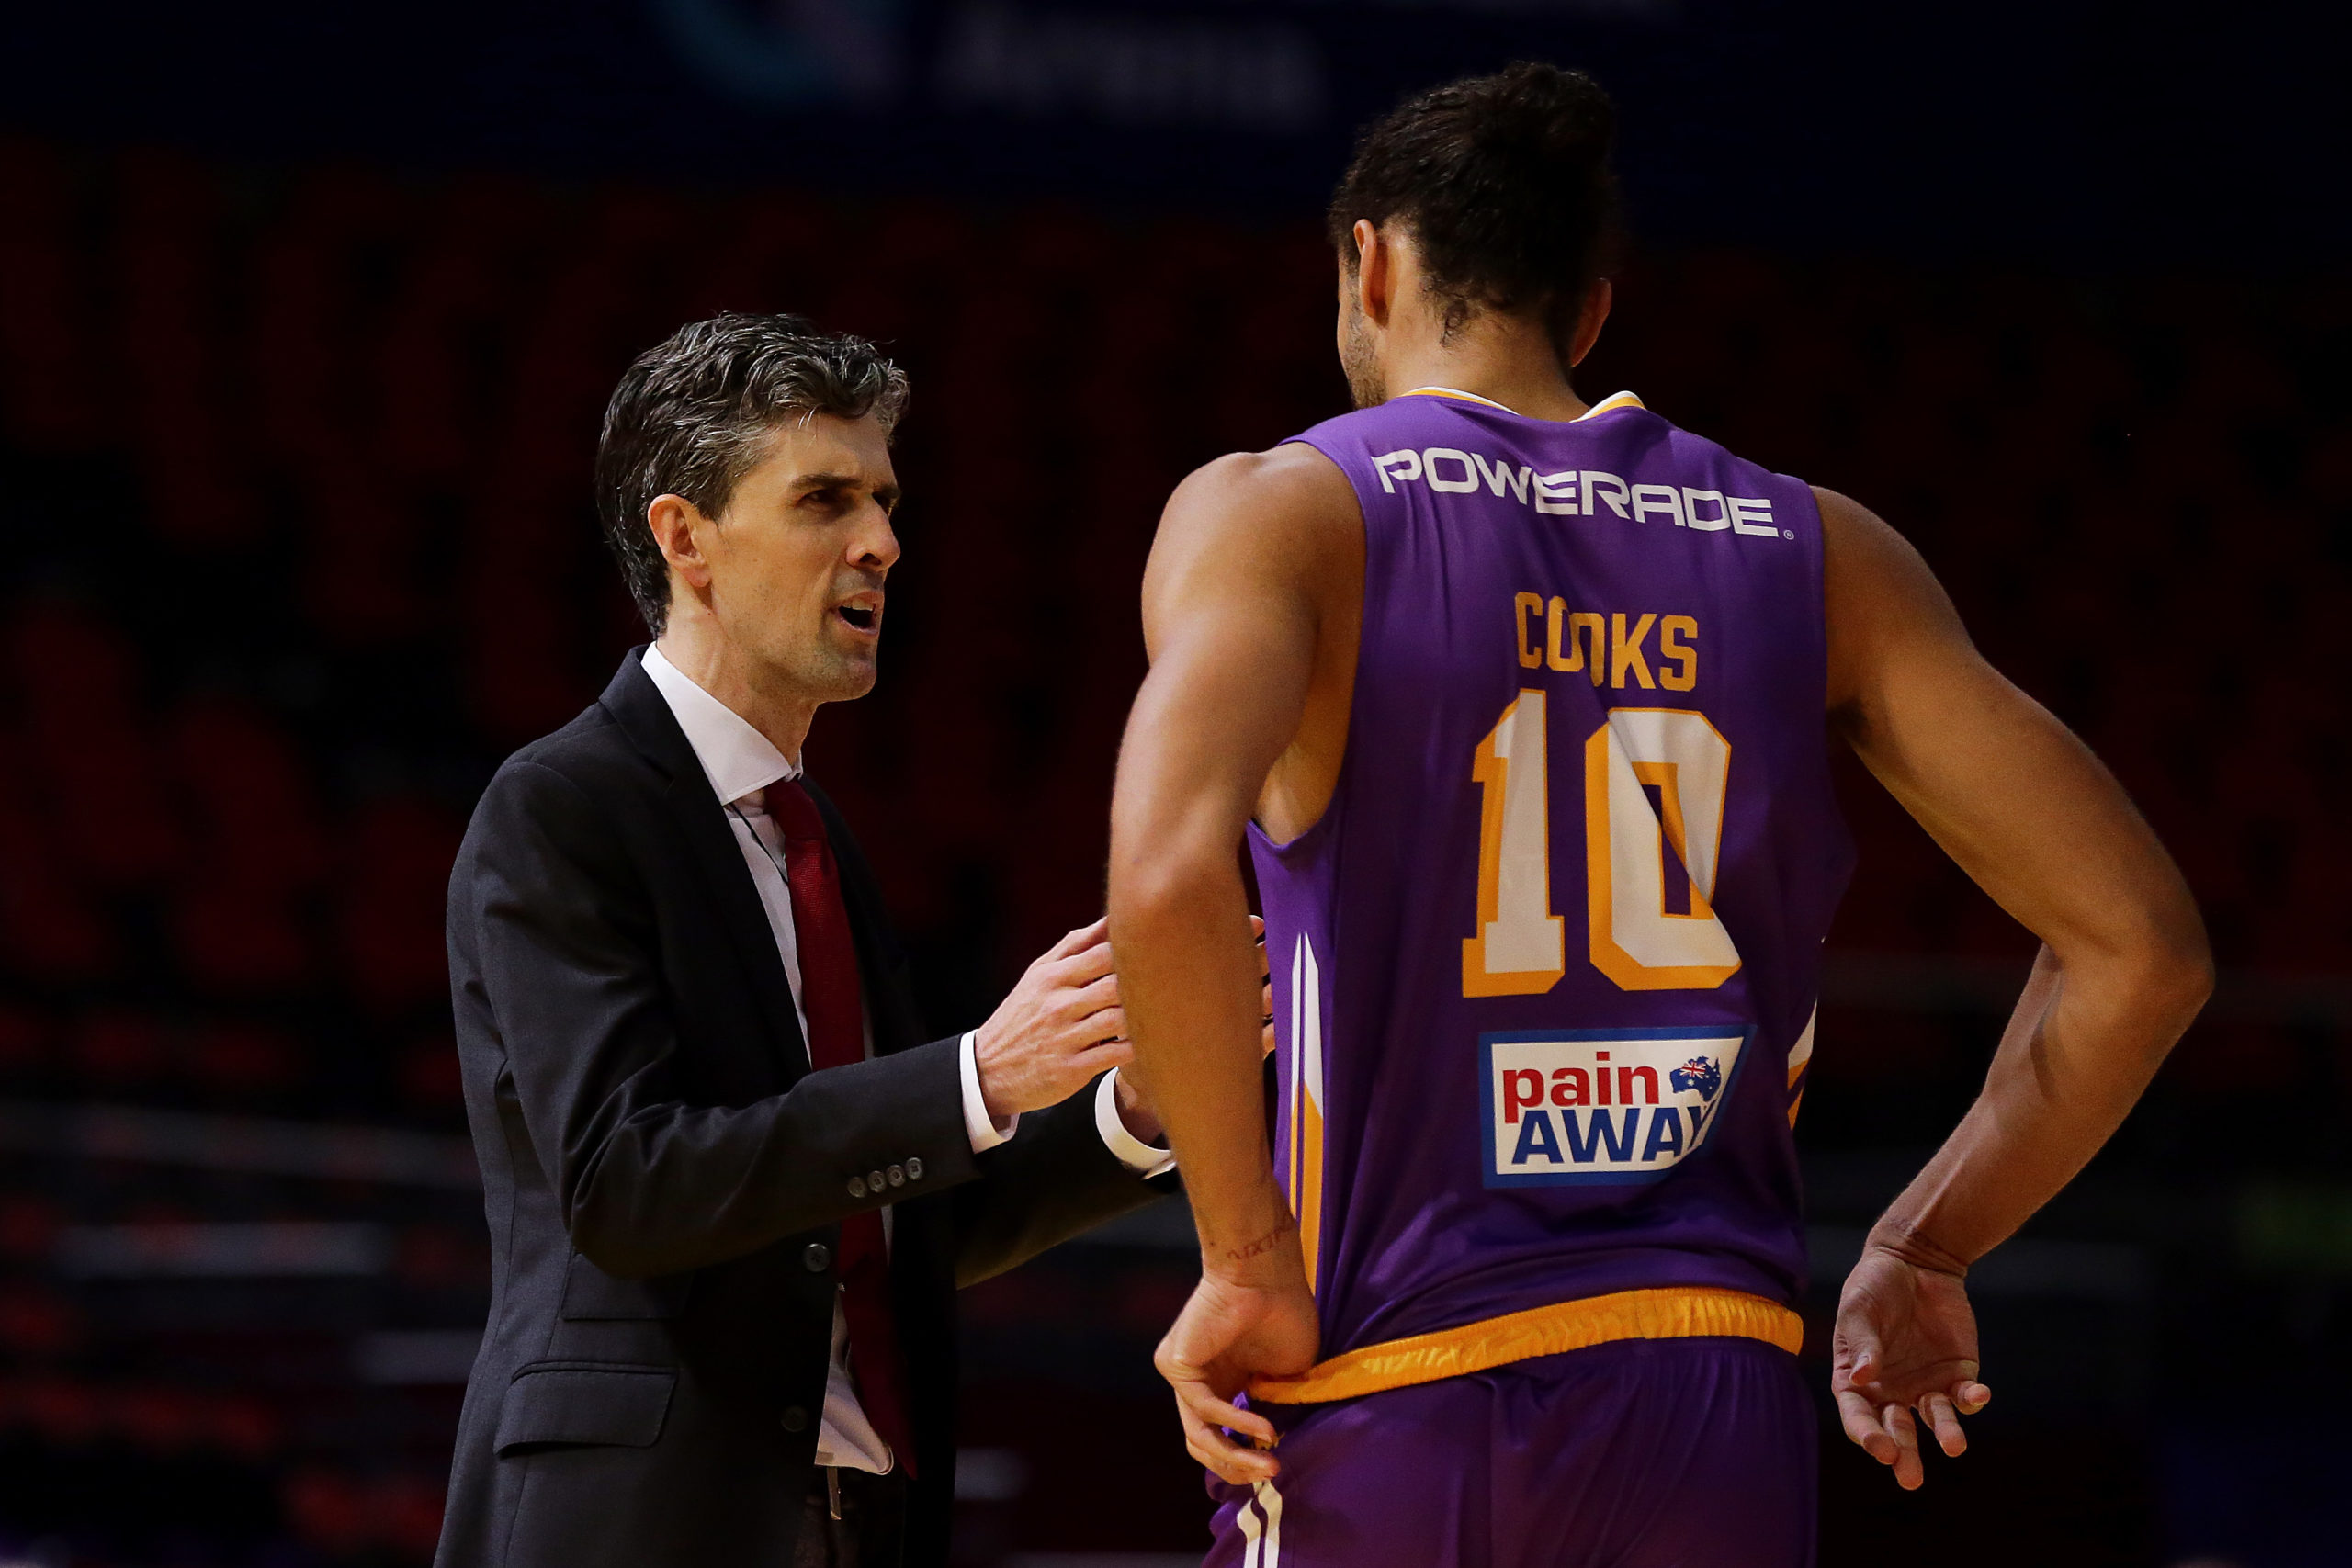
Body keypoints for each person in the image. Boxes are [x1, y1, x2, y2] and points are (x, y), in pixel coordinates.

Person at [1107, 62, 2211, 1567]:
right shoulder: (1820, 549)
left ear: (1368, 262)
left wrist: (1242, 1257)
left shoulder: (1281, 511)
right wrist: (1923, 1245)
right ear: (1594, 307)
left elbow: (1166, 876)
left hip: (1398, 1372)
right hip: (1716, 1391)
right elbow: (2146, 951)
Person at [435, 314, 1182, 1568]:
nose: (883, 541)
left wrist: (1133, 1112)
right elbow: (629, 1183)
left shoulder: (814, 836)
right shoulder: (562, 805)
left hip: (855, 1513)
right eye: (826, 499)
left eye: (885, 499)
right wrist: (978, 1076)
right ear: (688, 540)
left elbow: (881, 1215)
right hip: (636, 1521)